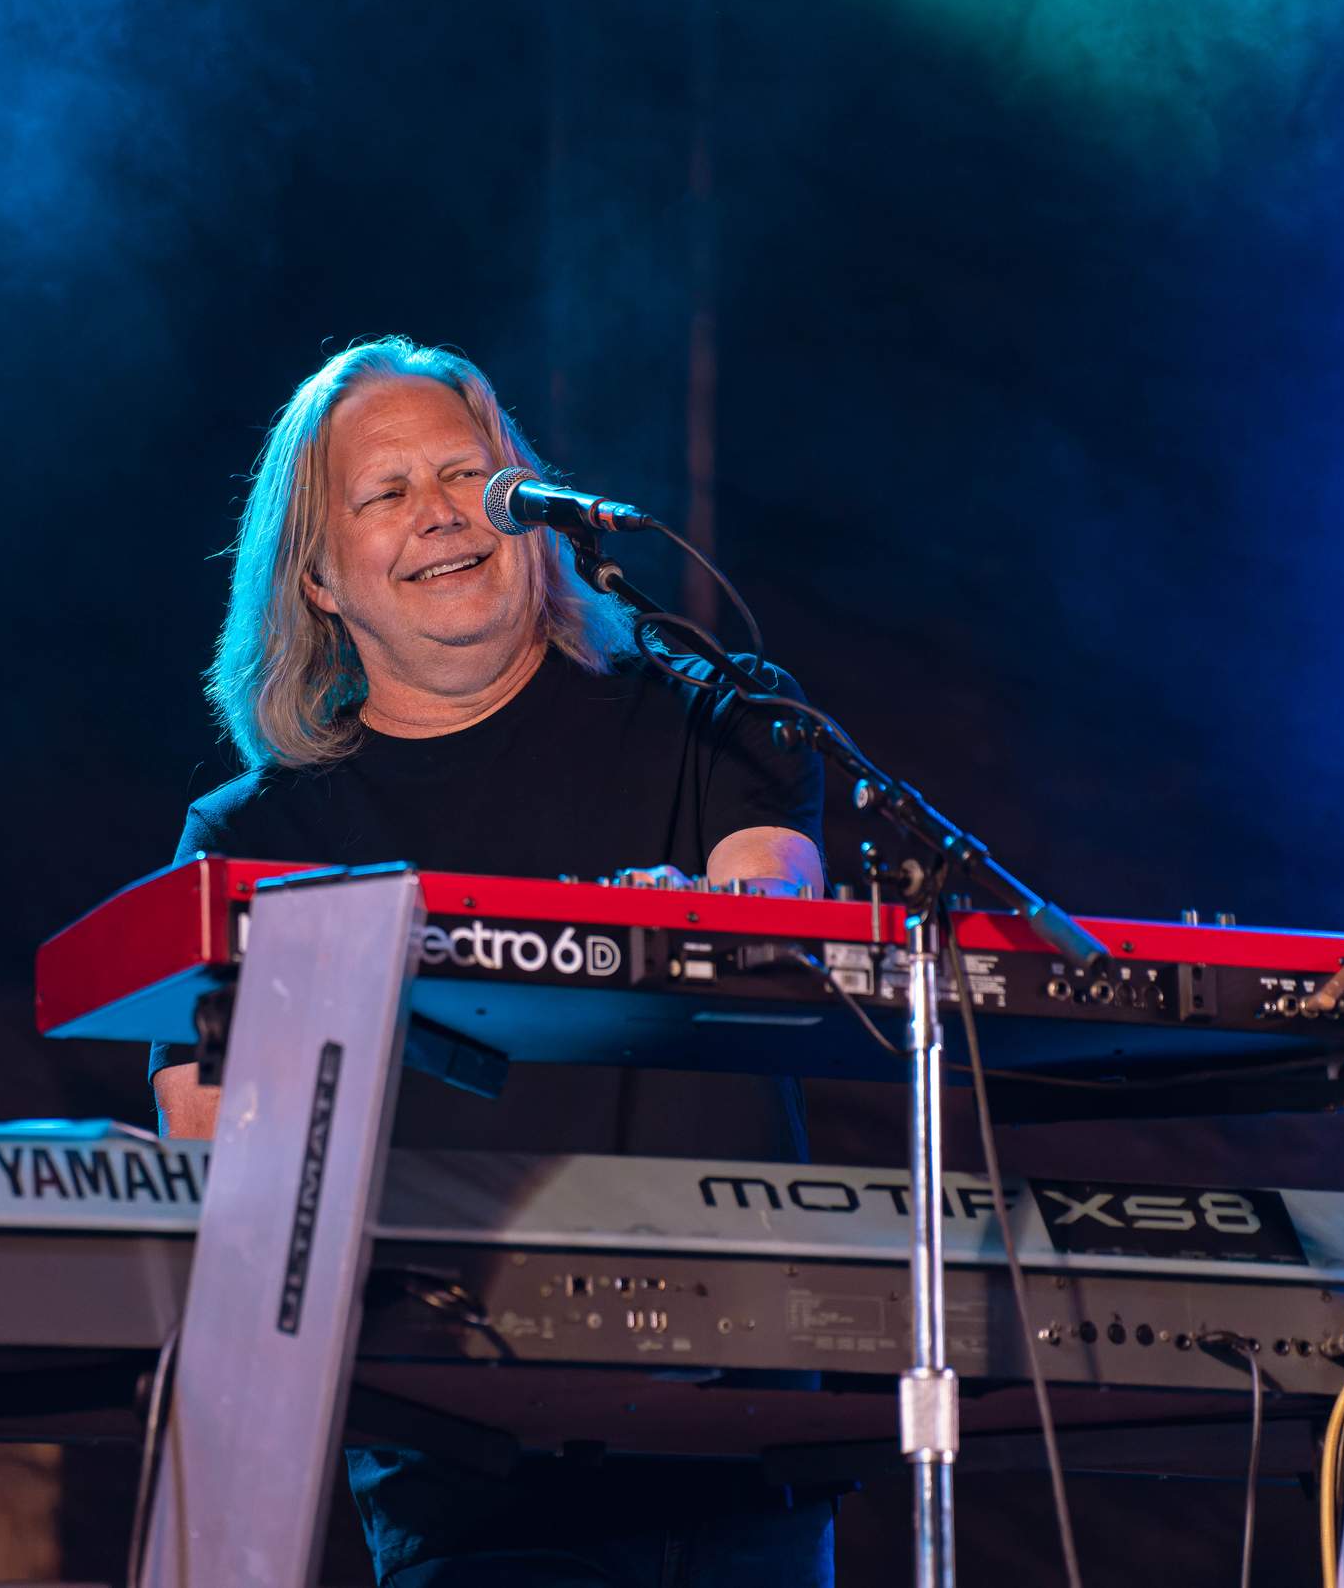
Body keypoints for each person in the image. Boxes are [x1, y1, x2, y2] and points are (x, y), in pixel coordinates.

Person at [154, 337, 834, 1587]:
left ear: (535, 509)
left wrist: (706, 919)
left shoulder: (711, 716)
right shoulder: (254, 837)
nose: (441, 516)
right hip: (464, 1472)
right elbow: (211, 1151)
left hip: (744, 1447)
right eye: (387, 493)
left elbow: (777, 903)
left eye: (468, 473)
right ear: (315, 578)